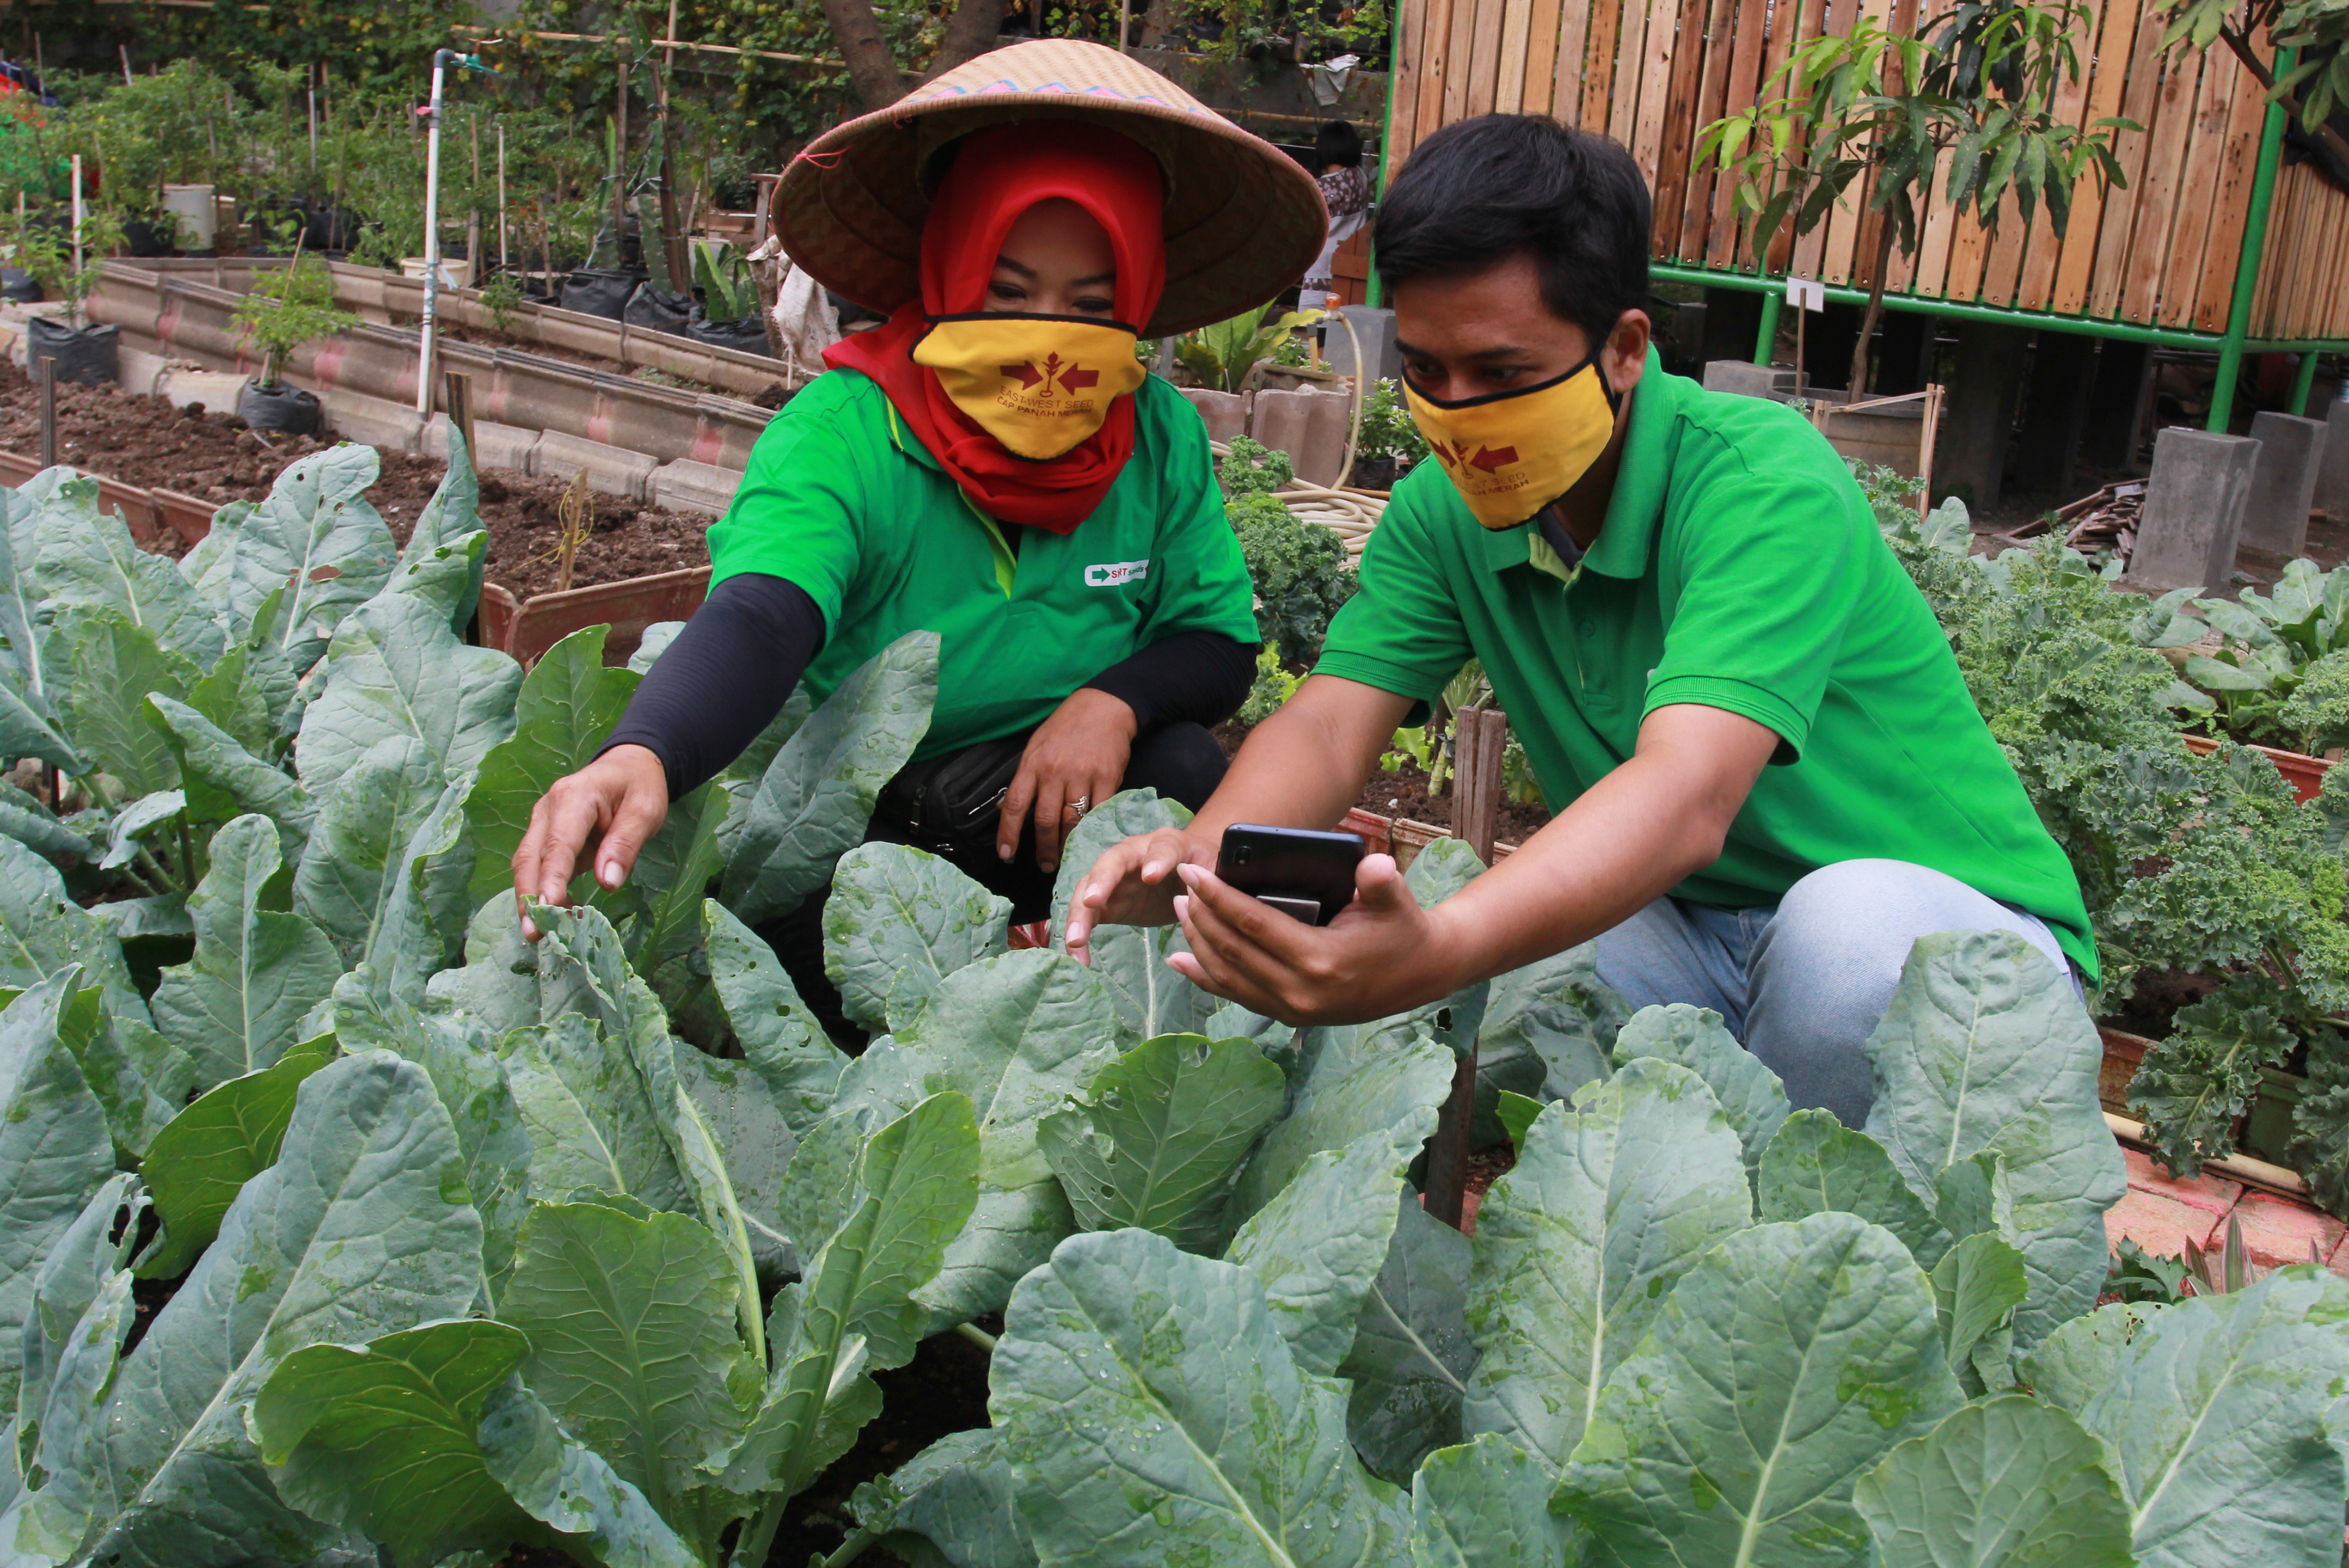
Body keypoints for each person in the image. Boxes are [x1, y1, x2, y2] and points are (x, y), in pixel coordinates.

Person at [1066, 113, 2095, 1126]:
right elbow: (1334, 722)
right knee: (1525, 998)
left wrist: (1437, 948)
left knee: (1842, 939)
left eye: (1503, 373)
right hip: (1698, 937)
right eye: (1427, 371)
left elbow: (1688, 794)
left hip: (1963, 971)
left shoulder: (1760, 482)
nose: (1459, 413)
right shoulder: (1446, 511)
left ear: (1625, 348)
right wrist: (1202, 855)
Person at [511, 40, 1330, 1035]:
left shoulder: (1158, 435)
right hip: (871, 821)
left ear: (1140, 306)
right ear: (948, 272)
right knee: (826, 1024)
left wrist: (1111, 701)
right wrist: (644, 750)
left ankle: (1194, 1035)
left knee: (1196, 774)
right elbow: (766, 613)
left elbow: (1219, 646)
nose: (1048, 343)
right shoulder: (848, 432)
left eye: (1091, 308)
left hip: (1067, 803)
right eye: (1009, 292)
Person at [1299, 119, 1370, 314]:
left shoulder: (1322, 188)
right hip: (1354, 255)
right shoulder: (1359, 177)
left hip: (1324, 261)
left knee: (1315, 322)